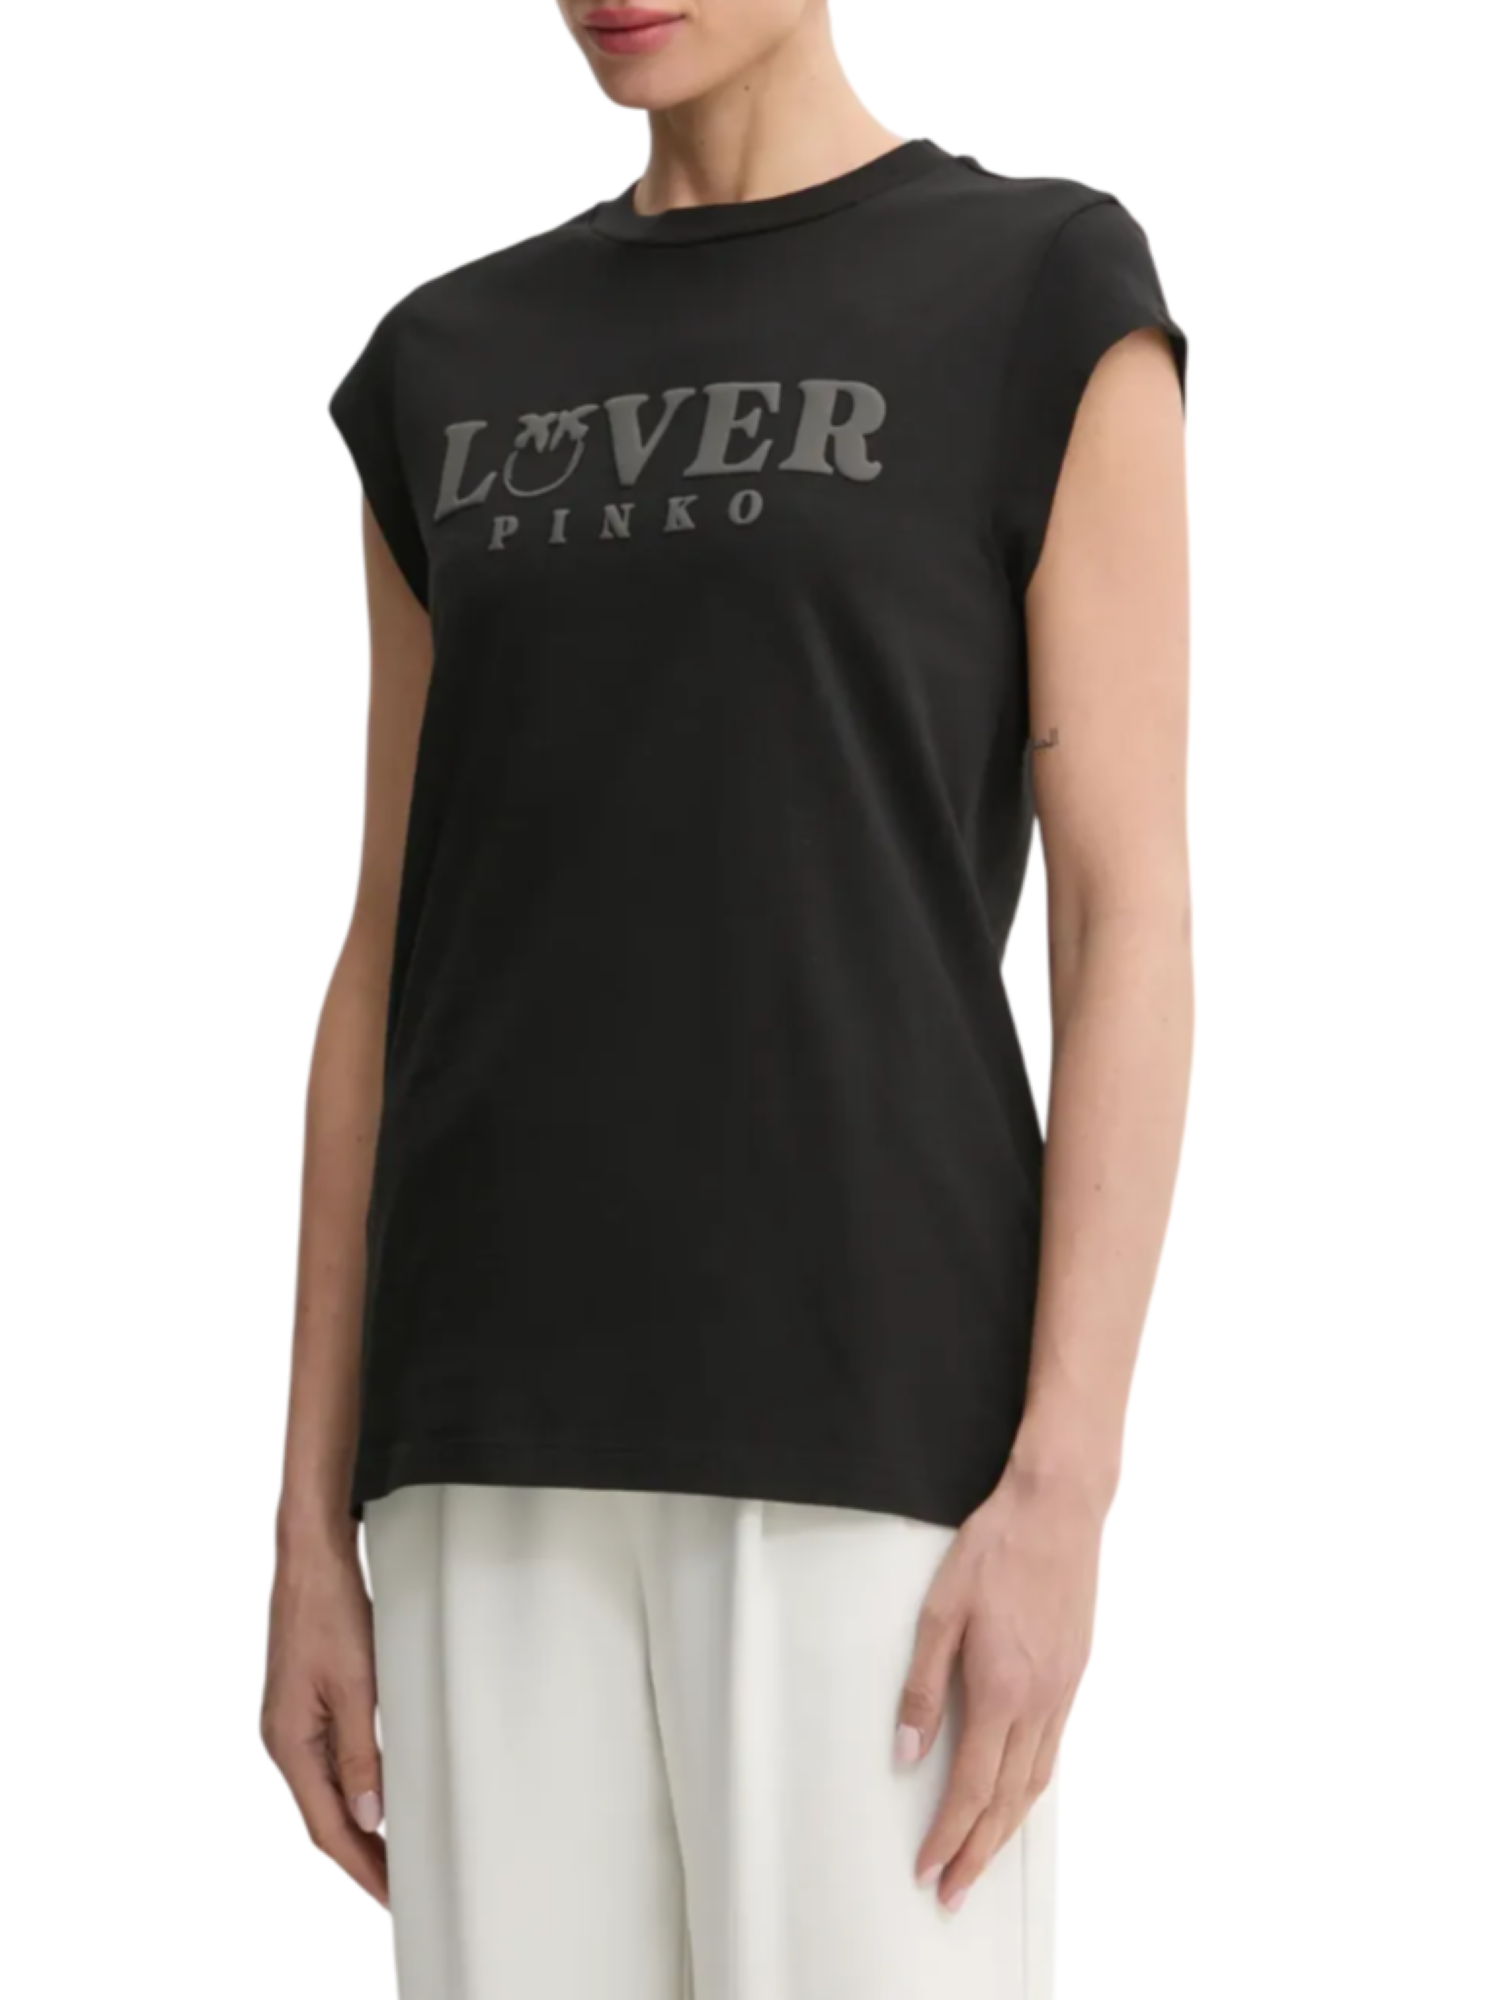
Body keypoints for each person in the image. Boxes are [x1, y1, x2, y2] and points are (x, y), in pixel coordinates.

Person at [261, 2, 1194, 1994]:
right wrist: (307, 1526)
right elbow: (386, 948)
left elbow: (1126, 914)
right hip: (483, 1439)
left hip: (875, 1427)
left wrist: (1067, 1477)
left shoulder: (1038, 288)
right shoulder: (446, 359)